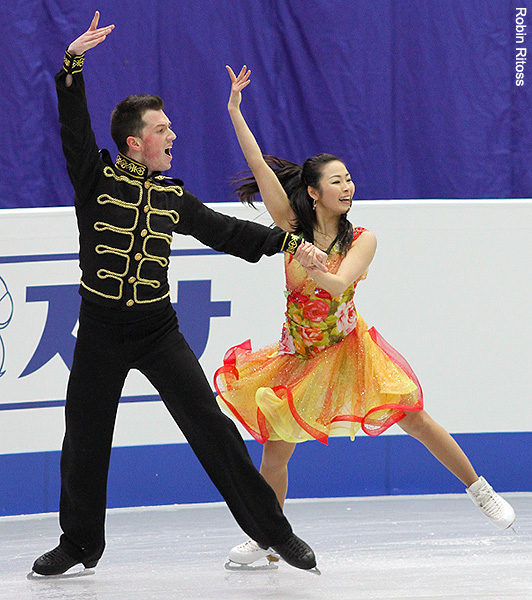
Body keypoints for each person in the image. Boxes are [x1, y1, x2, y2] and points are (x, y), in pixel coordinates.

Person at [31, 13, 327, 576]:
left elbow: (228, 232)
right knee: (85, 437)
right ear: (134, 141)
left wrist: (291, 244)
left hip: (156, 329)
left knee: (212, 431)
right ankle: (79, 544)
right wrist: (72, 62)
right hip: (98, 329)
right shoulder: (96, 178)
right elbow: (72, 123)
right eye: (162, 130)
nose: (173, 136)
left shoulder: (173, 196)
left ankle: (274, 533)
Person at [215, 65, 516, 567]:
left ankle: (479, 489)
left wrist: (313, 263)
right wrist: (234, 111)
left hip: (350, 348)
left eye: (350, 178)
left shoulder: (362, 239)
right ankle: (267, 535)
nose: (348, 186)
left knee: (412, 415)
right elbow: (259, 166)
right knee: (275, 449)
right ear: (313, 192)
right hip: (299, 353)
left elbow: (337, 283)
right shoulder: (289, 226)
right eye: (337, 180)